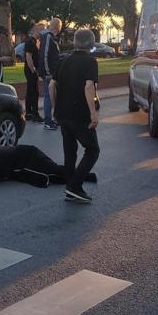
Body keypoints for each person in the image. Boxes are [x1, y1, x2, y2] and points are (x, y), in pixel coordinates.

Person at [49, 29, 100, 203]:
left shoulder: (64, 60)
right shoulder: (90, 61)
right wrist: (93, 113)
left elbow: (51, 85)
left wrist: (55, 108)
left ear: (75, 42)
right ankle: (75, 186)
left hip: (62, 114)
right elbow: (88, 87)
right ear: (91, 44)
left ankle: (70, 186)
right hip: (79, 114)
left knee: (70, 152)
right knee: (93, 150)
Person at [39, 18, 62, 130]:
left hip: (54, 72)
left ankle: (54, 119)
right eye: (60, 25)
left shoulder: (52, 37)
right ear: (57, 26)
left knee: (54, 95)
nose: (60, 28)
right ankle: (47, 121)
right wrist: (48, 72)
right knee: (49, 96)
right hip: (49, 73)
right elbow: (45, 55)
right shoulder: (48, 37)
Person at [24, 22, 45, 122]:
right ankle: (34, 114)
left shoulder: (36, 41)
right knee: (34, 92)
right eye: (41, 30)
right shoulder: (30, 42)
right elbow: (28, 57)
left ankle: (28, 113)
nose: (42, 32)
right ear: (35, 30)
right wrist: (33, 70)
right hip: (30, 70)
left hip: (32, 70)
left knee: (30, 91)